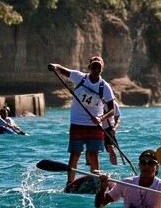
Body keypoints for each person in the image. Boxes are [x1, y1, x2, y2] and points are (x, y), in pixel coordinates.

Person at [48, 56, 116, 186]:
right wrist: (55, 66)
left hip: (94, 126)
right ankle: (69, 183)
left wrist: (100, 118)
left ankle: (95, 182)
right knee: (75, 155)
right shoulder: (80, 77)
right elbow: (63, 70)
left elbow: (112, 110)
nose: (96, 69)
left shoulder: (105, 87)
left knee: (93, 154)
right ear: (89, 67)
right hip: (77, 124)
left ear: (102, 69)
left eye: (99, 67)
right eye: (94, 66)